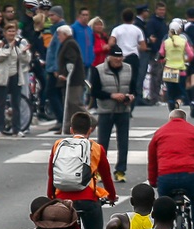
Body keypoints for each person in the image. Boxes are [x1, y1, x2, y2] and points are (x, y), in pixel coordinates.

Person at [47, 112, 116, 229]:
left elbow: (51, 174)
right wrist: (111, 196)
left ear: (71, 129)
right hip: (88, 199)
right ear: (90, 130)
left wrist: (52, 197)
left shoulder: (58, 145)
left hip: (63, 200)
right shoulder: (96, 148)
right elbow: (106, 176)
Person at [148, 109, 194, 227]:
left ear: (170, 119)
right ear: (184, 119)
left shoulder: (159, 132)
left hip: (165, 177)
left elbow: (152, 160)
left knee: (163, 207)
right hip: (189, 176)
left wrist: (153, 181)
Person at [90, 45, 136, 183]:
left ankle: (121, 170)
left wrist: (131, 97)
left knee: (123, 142)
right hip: (106, 110)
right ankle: (99, 171)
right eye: (115, 57)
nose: (118, 60)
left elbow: (134, 88)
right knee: (102, 143)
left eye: (120, 57)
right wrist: (112, 95)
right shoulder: (99, 70)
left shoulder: (128, 68)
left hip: (123, 110)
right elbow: (95, 92)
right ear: (109, 57)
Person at [0, 23, 31, 137]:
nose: (11, 34)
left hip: (15, 76)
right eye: (9, 31)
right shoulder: (1, 44)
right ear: (5, 33)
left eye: (13, 31)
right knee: (1, 103)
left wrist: (23, 52)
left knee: (16, 103)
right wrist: (9, 47)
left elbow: (26, 59)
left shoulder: (19, 45)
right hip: (3, 77)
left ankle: (17, 129)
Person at [108, 8, 147, 114]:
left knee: (120, 80)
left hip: (120, 57)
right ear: (133, 18)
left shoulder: (117, 29)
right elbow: (143, 47)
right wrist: (134, 46)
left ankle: (119, 101)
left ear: (122, 18)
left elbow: (111, 42)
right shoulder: (137, 30)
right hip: (133, 57)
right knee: (132, 81)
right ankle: (130, 105)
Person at [56, 25, 87, 135]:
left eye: (59, 34)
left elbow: (71, 60)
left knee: (74, 103)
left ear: (65, 34)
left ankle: (91, 121)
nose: (58, 37)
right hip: (72, 78)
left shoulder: (69, 44)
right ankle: (67, 126)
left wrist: (65, 74)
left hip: (73, 79)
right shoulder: (68, 43)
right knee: (68, 104)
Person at [158, 21, 193, 113]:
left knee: (170, 91)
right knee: (181, 91)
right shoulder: (183, 41)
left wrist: (163, 60)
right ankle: (178, 102)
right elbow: (191, 55)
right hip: (181, 70)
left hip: (168, 70)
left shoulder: (165, 42)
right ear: (179, 30)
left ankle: (171, 103)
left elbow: (160, 54)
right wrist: (186, 61)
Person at [44, 6, 68, 132]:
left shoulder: (60, 30)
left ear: (59, 16)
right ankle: (62, 119)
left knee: (51, 92)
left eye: (52, 15)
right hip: (53, 67)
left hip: (55, 68)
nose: (50, 17)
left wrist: (55, 68)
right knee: (57, 94)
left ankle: (61, 118)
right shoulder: (55, 30)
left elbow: (58, 51)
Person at [144, 2, 168, 105]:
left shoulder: (163, 22)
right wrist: (157, 51)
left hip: (163, 52)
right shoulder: (152, 22)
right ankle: (154, 98)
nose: (162, 12)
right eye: (160, 10)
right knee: (155, 75)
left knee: (160, 76)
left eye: (163, 10)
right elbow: (151, 38)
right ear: (156, 10)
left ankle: (157, 96)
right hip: (156, 53)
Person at [71, 8, 95, 74]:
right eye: (83, 15)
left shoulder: (90, 30)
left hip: (89, 63)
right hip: (78, 63)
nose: (85, 17)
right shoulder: (73, 28)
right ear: (79, 16)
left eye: (87, 15)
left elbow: (92, 44)